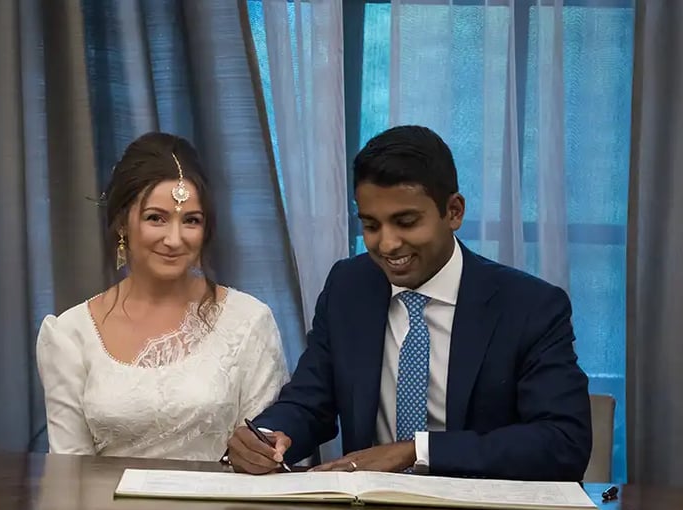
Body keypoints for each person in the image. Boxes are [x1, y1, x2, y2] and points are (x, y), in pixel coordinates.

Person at [226, 125, 592, 480]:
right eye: (371, 225)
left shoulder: (529, 306)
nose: (386, 244)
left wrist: (416, 451)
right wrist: (268, 436)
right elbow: (309, 402)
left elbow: (563, 442)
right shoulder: (349, 288)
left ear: (453, 212)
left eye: (406, 222)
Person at [36, 132, 288, 460]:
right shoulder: (71, 334)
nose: (174, 239)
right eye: (156, 218)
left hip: (223, 509)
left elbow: (260, 454)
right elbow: (70, 470)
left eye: (191, 221)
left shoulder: (248, 321)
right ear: (123, 223)